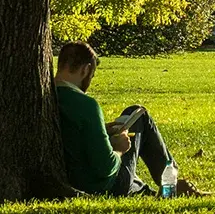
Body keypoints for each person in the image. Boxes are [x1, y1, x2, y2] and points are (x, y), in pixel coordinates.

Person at [54, 42, 207, 197]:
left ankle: (150, 190)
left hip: (73, 178)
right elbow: (106, 168)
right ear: (85, 69)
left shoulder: (47, 98)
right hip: (104, 185)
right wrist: (119, 149)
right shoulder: (86, 105)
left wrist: (102, 130)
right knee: (138, 114)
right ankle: (171, 183)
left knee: (139, 185)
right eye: (91, 76)